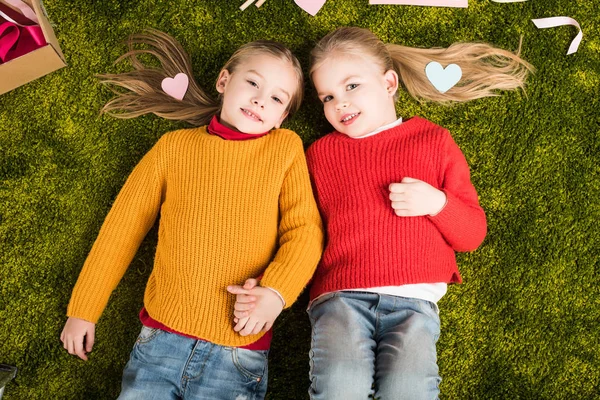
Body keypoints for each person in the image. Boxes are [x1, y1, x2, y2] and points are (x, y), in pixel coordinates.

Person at [232, 26, 533, 400]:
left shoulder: (432, 141)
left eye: (352, 87)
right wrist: (267, 281)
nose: (339, 103)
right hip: (341, 297)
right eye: (327, 96)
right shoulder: (319, 155)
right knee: (340, 385)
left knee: (409, 390)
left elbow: (472, 234)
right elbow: (297, 228)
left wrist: (437, 203)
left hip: (415, 305)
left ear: (389, 83)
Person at [59, 28, 323, 400]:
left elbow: (305, 231)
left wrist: (276, 292)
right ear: (224, 80)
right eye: (252, 82)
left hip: (238, 350)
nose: (260, 100)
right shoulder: (173, 148)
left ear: (282, 117)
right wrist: (84, 308)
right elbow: (123, 228)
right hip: (160, 341)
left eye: (277, 98)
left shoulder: (285, 149)